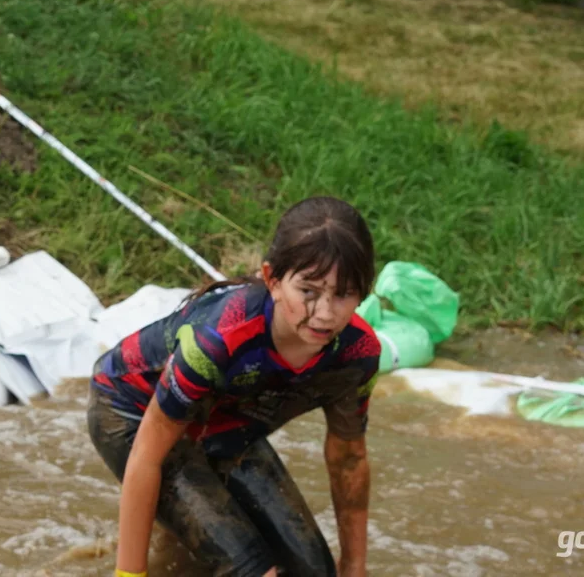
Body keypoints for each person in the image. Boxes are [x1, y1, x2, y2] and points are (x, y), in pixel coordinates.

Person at [87, 196, 381, 577]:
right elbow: (147, 454)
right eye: (308, 291)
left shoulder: (357, 354)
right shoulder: (218, 341)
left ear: (364, 292)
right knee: (250, 569)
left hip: (227, 420)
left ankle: (179, 540)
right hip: (131, 412)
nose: (324, 314)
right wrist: (130, 575)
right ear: (273, 280)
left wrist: (354, 568)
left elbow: (349, 459)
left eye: (343, 294)